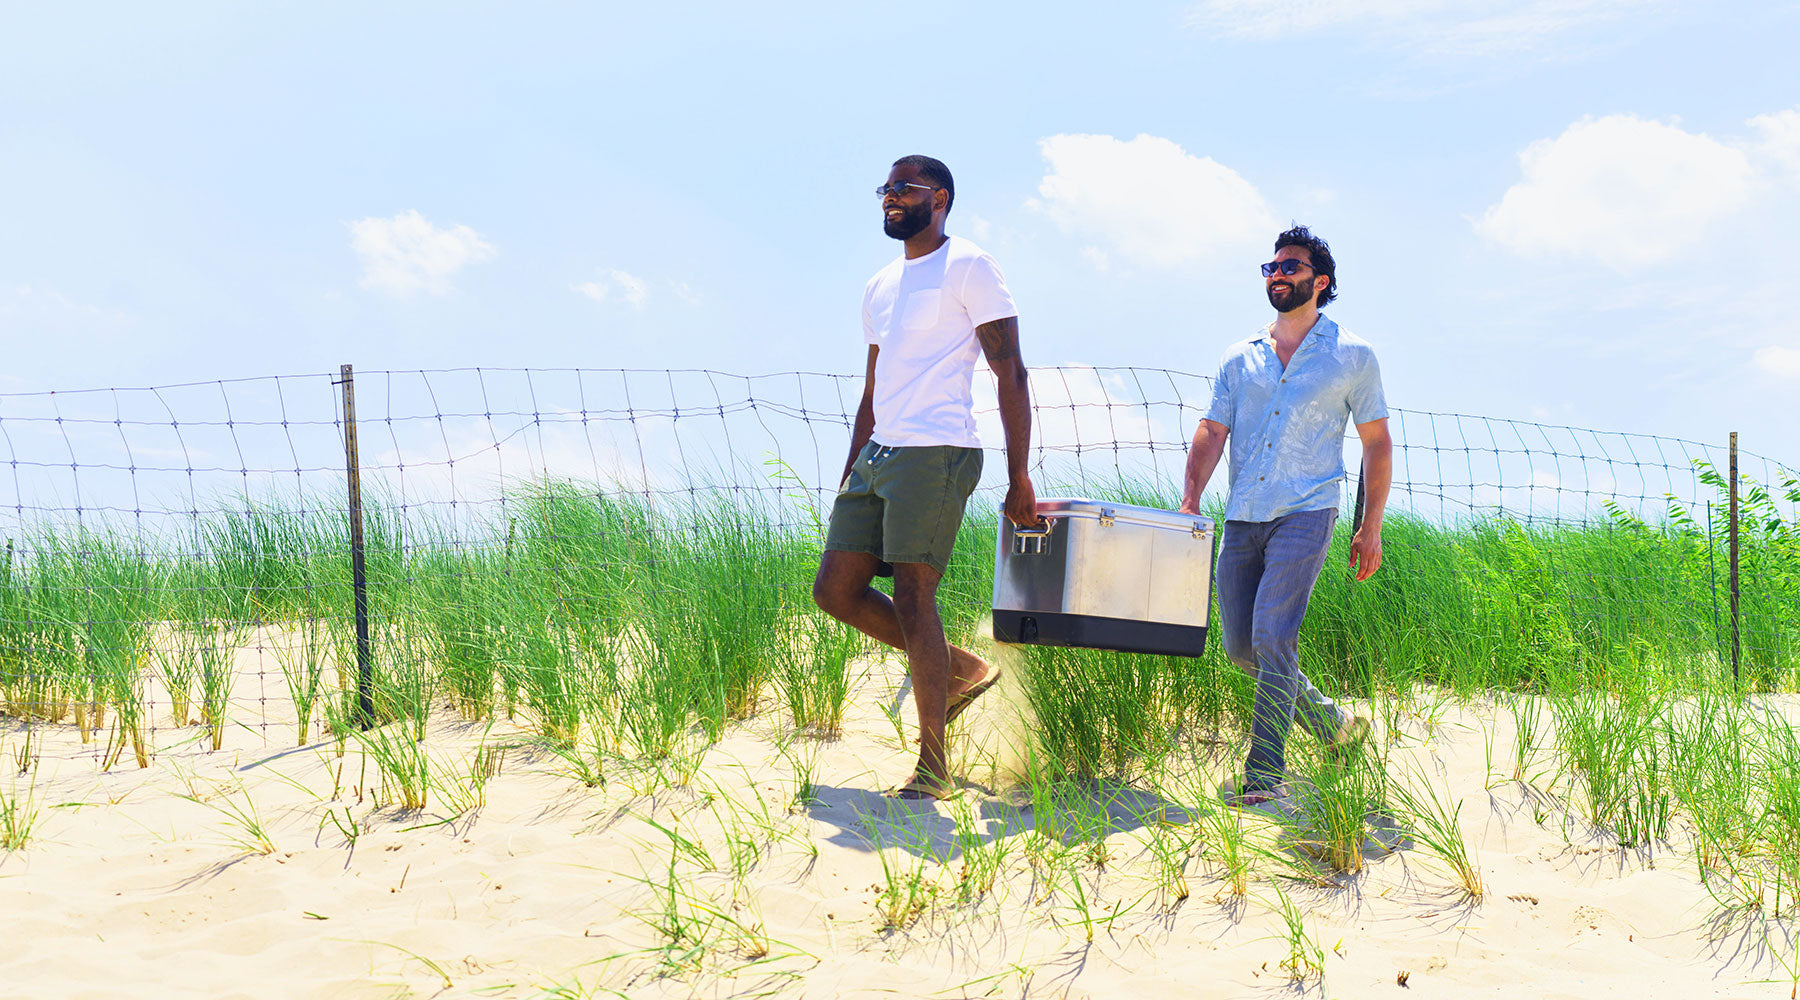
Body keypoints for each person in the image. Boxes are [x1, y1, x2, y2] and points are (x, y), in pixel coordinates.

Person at [812, 154, 1043, 801]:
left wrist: (1018, 474)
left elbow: (1011, 371)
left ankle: (933, 768)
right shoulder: (880, 284)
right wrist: (851, 467)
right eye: (885, 188)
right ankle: (964, 670)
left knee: (915, 596)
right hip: (879, 454)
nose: (890, 197)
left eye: (903, 188)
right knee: (834, 589)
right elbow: (873, 386)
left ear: (938, 197)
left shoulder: (969, 266)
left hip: (938, 450)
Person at [1178, 225, 1392, 806]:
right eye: (1271, 268)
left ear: (1319, 282)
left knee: (1274, 633)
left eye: (1290, 268)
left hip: (1309, 510)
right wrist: (1192, 497)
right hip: (1244, 513)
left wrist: (1368, 526)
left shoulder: (1352, 355)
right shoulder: (1238, 357)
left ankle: (1265, 771)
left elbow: (1377, 443)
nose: (1277, 275)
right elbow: (1211, 429)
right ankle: (1334, 727)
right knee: (1242, 648)